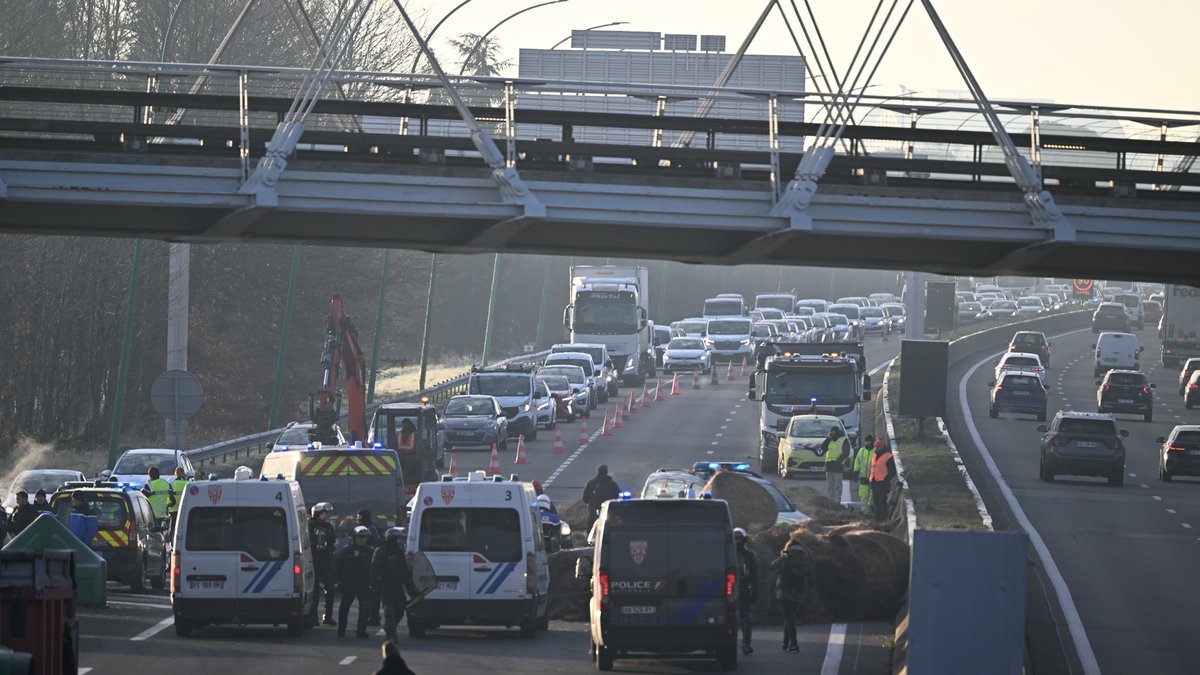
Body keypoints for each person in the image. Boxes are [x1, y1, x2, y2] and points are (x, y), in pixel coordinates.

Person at [371, 527, 419, 642]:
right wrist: (375, 583)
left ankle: (390, 628)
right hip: (385, 585)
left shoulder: (399, 552)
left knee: (400, 610)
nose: (400, 541)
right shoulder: (380, 551)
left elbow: (404, 570)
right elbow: (374, 569)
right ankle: (391, 635)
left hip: (397, 585)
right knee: (389, 611)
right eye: (397, 539)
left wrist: (411, 589)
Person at [770, 539, 814, 653]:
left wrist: (782, 558)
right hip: (797, 591)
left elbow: (772, 565)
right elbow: (809, 571)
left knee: (789, 618)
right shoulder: (804, 556)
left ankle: (793, 643)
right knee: (789, 618)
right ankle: (785, 643)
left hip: (783, 591)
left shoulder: (786, 555)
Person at [335, 525, 375, 638]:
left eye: (364, 537)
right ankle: (341, 630)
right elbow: (338, 566)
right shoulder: (346, 551)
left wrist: (374, 582)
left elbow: (375, 568)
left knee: (365, 608)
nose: (362, 540)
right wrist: (337, 580)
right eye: (359, 537)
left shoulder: (371, 552)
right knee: (344, 607)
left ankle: (361, 630)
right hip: (349, 583)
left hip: (364, 583)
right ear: (354, 538)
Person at [308, 502, 337, 626]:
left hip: (325, 561)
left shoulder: (328, 526)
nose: (326, 515)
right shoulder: (309, 526)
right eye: (324, 513)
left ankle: (328, 616)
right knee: (314, 591)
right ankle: (312, 617)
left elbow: (332, 541)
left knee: (330, 589)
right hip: (313, 560)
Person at [734, 528, 758, 655]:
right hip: (730, 590)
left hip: (743, 589)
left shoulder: (749, 555)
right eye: (735, 539)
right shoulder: (726, 554)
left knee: (746, 618)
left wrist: (755, 592)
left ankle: (746, 644)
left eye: (739, 539)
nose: (737, 542)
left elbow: (754, 576)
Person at [357, 509, 383, 626]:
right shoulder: (359, 530)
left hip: (371, 565)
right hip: (361, 566)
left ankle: (374, 617)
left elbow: (377, 544)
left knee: (373, 593)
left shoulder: (372, 529)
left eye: (360, 519)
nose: (358, 521)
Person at [869, 439, 897, 522]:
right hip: (874, 482)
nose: (877, 448)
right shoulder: (875, 456)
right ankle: (877, 518)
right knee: (876, 502)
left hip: (882, 483)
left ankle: (882, 519)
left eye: (878, 447)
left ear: (883, 447)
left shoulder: (888, 456)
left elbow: (892, 471)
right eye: (876, 447)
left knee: (882, 502)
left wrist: (886, 479)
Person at [821, 426, 850, 503]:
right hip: (829, 466)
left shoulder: (843, 440)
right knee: (830, 486)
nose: (832, 433)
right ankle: (831, 501)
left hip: (838, 466)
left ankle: (838, 501)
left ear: (837, 432)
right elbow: (823, 447)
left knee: (838, 485)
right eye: (831, 431)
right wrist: (828, 438)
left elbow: (846, 452)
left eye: (834, 432)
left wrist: (839, 461)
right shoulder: (830, 440)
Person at [853, 435, 876, 515]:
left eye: (869, 441)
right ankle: (865, 512)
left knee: (873, 495)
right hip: (863, 477)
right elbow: (857, 462)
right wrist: (855, 471)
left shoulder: (875, 451)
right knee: (863, 495)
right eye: (866, 441)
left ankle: (872, 509)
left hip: (874, 477)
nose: (867, 443)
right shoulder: (861, 451)